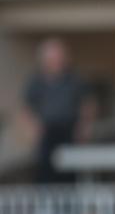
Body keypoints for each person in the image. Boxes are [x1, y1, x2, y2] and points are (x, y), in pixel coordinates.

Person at [21, 38, 95, 183]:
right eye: (53, 57)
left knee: (70, 173)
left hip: (69, 130)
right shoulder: (36, 81)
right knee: (45, 172)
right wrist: (32, 129)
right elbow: (26, 108)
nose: (57, 61)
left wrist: (84, 127)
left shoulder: (75, 79)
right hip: (47, 132)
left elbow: (88, 104)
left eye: (60, 56)